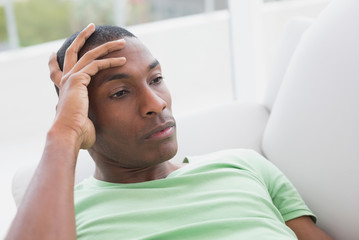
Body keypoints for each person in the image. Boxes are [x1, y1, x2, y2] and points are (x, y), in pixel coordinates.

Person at [5, 24, 333, 240]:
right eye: (120, 93)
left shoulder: (244, 166)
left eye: (156, 79)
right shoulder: (64, 214)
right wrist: (64, 133)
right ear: (82, 114)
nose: (156, 104)